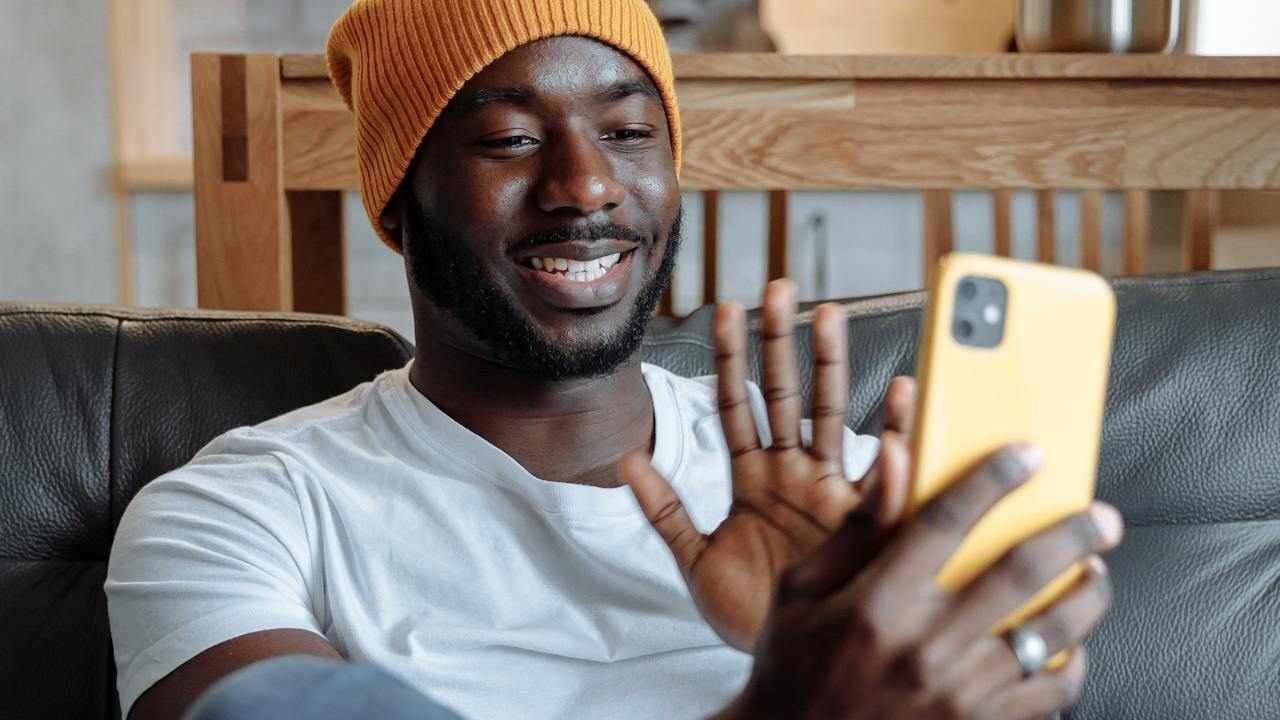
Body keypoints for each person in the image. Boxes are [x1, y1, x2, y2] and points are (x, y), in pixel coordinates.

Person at [105, 1, 1123, 719]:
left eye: (629, 129)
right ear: (399, 198)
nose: (585, 185)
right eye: (506, 140)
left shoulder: (854, 515)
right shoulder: (240, 514)